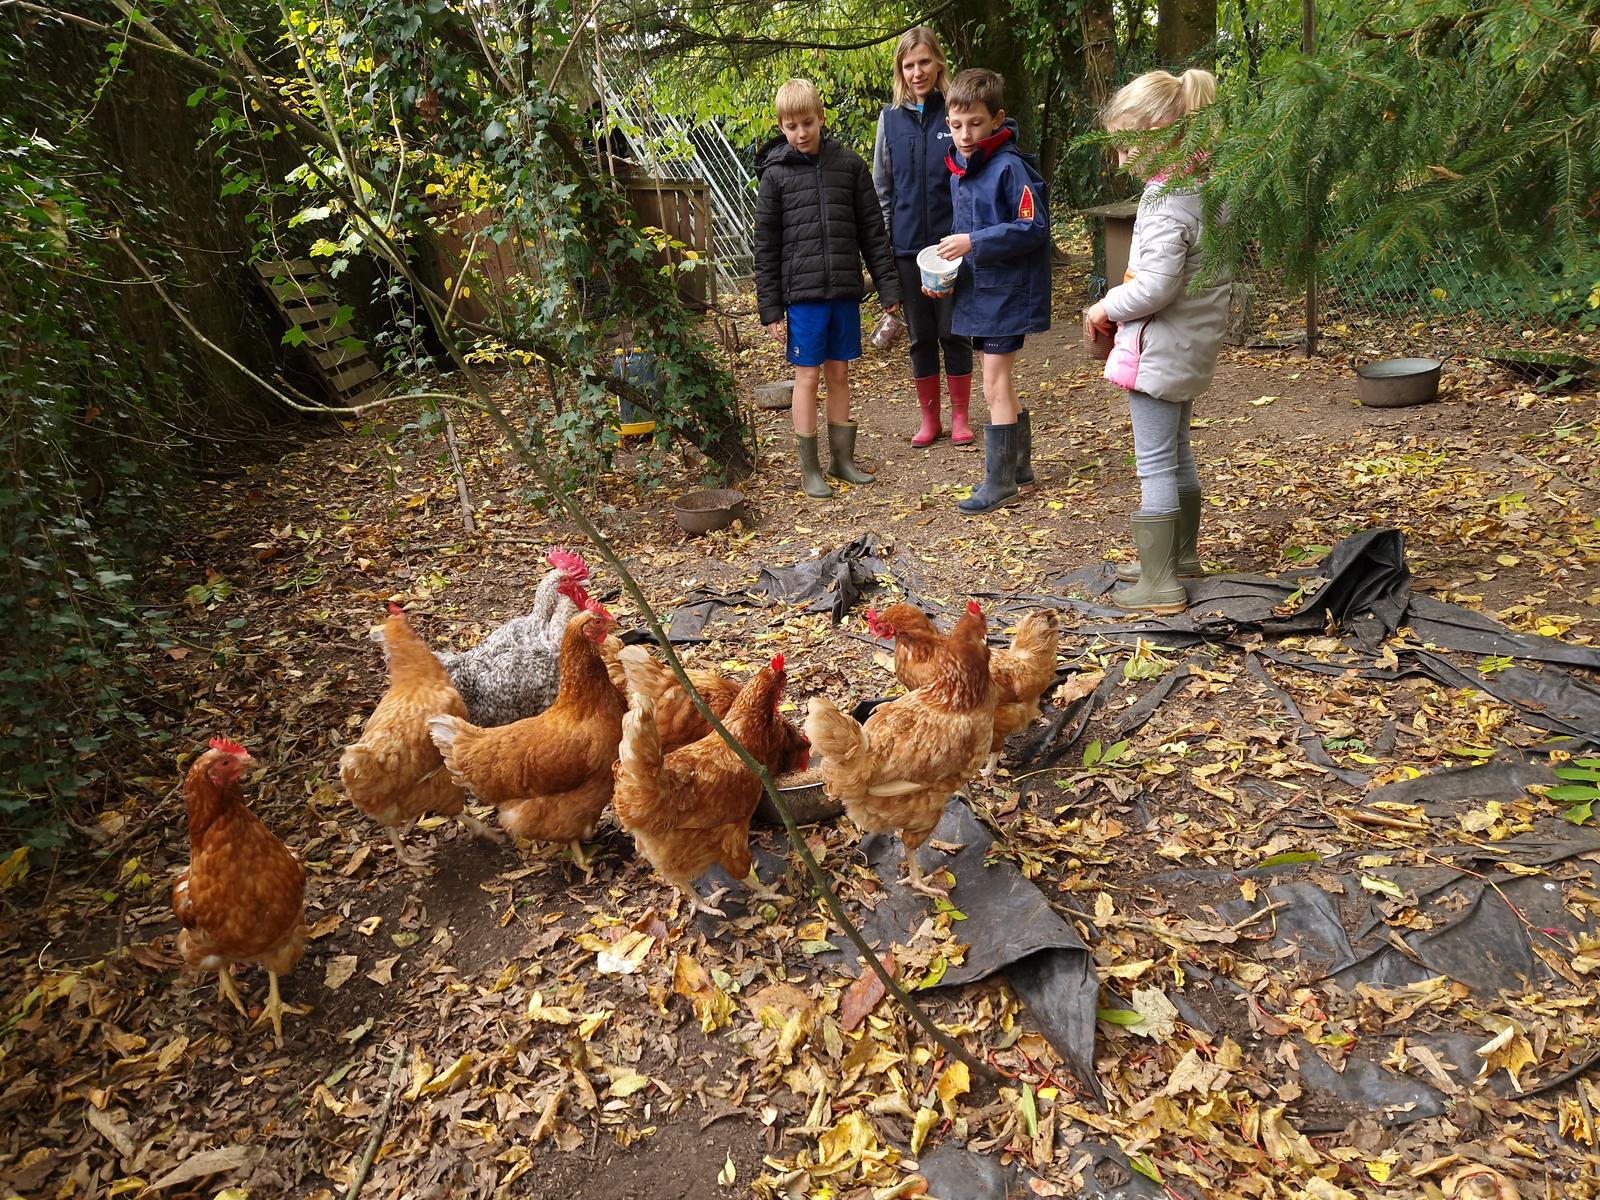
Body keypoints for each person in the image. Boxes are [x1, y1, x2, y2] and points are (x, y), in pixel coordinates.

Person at [1083, 68, 1229, 614]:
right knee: (1178, 452)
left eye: (1126, 146)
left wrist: (1102, 306)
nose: (1120, 160)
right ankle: (1177, 557)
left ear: (1162, 132)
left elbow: (1157, 287)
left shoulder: (1168, 200)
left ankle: (1160, 583)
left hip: (1161, 348)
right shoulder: (1203, 188)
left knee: (1155, 465)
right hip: (1190, 346)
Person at [754, 78, 902, 500]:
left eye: (807, 122)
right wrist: (771, 309)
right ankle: (810, 468)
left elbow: (873, 232)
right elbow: (765, 247)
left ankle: (842, 460)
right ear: (781, 127)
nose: (801, 132)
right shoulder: (775, 175)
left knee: (840, 373)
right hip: (801, 299)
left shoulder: (849, 166)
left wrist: (888, 287)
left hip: (842, 292)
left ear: (821, 117)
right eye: (791, 126)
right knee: (807, 377)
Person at [933, 69, 1051, 516]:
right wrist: (947, 271)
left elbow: (1032, 227)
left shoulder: (1009, 166)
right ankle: (1019, 467)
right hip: (978, 290)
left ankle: (998, 481)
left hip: (1006, 294)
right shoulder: (961, 169)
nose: (964, 134)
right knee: (1000, 380)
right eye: (956, 125)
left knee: (994, 383)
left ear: (997, 119)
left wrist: (973, 243)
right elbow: (968, 230)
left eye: (975, 124)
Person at [871, 28, 975, 449]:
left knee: (954, 330)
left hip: (950, 246)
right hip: (907, 247)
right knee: (920, 336)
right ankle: (929, 419)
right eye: (909, 65)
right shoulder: (889, 119)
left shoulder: (954, 112)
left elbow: (972, 175)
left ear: (939, 64)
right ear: (901, 69)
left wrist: (968, 233)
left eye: (924, 63)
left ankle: (962, 417)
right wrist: (884, 250)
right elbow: (882, 187)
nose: (917, 72)